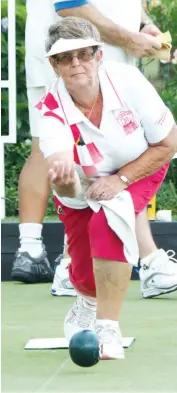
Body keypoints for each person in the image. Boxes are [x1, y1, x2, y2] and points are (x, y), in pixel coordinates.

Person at [12, 0, 177, 296]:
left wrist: (142, 25)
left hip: (108, 54)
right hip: (68, 53)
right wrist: (131, 39)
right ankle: (65, 260)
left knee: (119, 157)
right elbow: (70, 6)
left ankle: (143, 259)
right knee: (58, 154)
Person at [38, 17, 177, 359]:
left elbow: (168, 144)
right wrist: (66, 181)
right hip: (83, 184)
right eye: (65, 58)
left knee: (110, 222)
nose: (76, 64)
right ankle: (86, 299)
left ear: (99, 56)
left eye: (84, 54)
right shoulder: (51, 109)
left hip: (142, 164)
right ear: (54, 65)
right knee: (83, 271)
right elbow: (62, 170)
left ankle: (108, 329)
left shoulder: (128, 81)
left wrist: (122, 179)